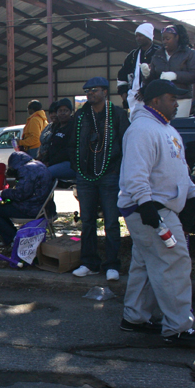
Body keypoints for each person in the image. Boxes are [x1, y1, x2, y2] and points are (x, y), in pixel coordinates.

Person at [117, 80, 195, 347]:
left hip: (157, 208)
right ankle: (177, 328)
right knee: (174, 264)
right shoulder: (142, 130)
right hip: (152, 210)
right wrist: (146, 204)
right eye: (172, 97)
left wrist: (192, 196)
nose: (177, 103)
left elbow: (179, 169)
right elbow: (135, 174)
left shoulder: (165, 128)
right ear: (155, 101)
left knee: (145, 265)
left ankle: (134, 317)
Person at [68, 77, 128, 281]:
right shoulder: (81, 116)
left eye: (94, 90)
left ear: (105, 91)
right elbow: (72, 143)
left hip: (110, 174)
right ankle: (89, 263)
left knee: (111, 221)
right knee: (87, 221)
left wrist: (117, 170)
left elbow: (126, 143)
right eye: (87, 91)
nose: (90, 94)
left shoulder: (118, 114)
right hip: (85, 175)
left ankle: (112, 264)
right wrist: (77, 166)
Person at [0, 152, 53, 246]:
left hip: (31, 209)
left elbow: (20, 194)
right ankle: (11, 237)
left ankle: (13, 238)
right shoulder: (38, 165)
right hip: (42, 206)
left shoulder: (27, 169)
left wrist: (3, 193)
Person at [146, 24, 195, 118]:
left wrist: (175, 75)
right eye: (163, 39)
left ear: (177, 37)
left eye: (168, 39)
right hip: (162, 99)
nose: (165, 42)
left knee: (178, 126)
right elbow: (153, 79)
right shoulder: (158, 55)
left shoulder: (189, 53)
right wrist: (147, 75)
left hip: (182, 98)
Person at [117, 23, 161, 113]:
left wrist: (145, 90)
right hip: (134, 98)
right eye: (136, 36)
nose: (138, 38)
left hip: (154, 99)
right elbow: (122, 74)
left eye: (141, 36)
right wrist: (124, 93)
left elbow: (160, 75)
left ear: (148, 36)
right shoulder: (133, 55)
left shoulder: (158, 53)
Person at [38, 98, 76, 181]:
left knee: (43, 174)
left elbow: (67, 151)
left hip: (69, 163)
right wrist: (42, 160)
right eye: (60, 111)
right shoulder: (56, 127)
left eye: (65, 110)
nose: (62, 113)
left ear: (70, 112)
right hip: (54, 163)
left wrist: (50, 163)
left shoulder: (73, 127)